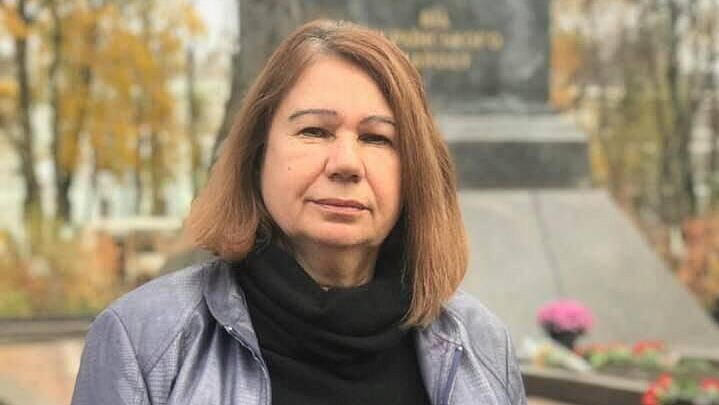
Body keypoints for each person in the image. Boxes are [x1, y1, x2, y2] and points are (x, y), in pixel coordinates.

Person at [71, 20, 527, 405]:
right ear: (258, 154)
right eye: (314, 131)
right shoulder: (145, 341)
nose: (347, 163)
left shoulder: (481, 346)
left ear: (414, 172)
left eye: (377, 138)